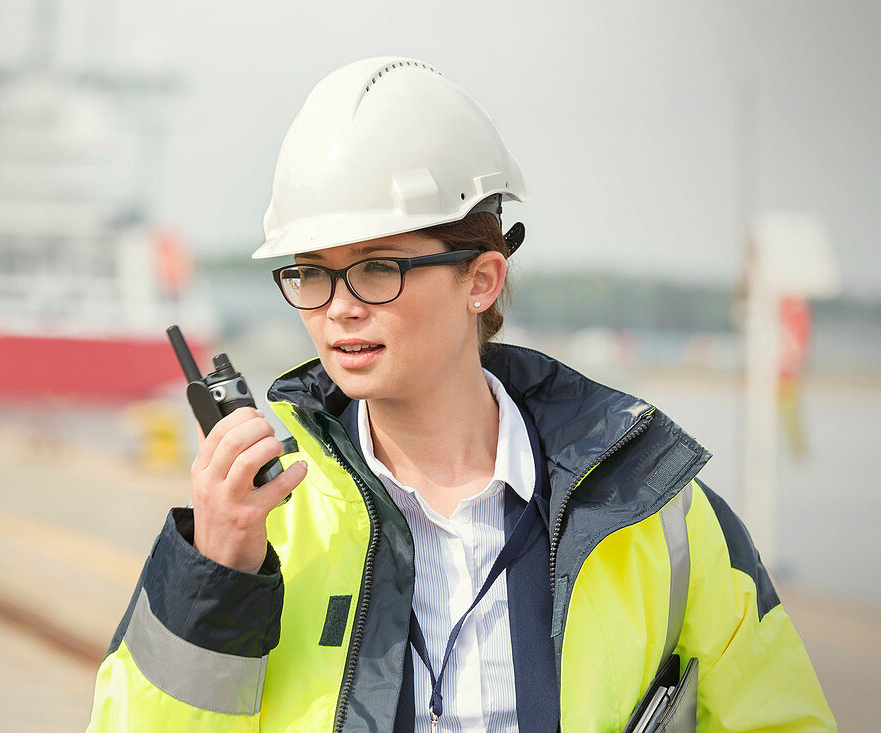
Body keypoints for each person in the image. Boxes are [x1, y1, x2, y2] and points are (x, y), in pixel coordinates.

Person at [87, 57, 834, 732]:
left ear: (481, 279)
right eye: (312, 270)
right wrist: (215, 575)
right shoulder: (262, 514)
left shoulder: (652, 508)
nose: (338, 305)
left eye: (378, 267)